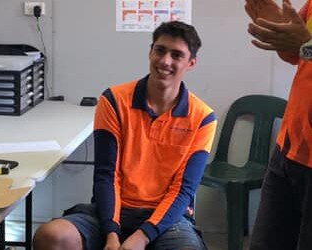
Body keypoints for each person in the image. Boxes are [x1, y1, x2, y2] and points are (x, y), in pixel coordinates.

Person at [33, 21, 217, 250]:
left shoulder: (203, 118)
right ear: (150, 51)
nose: (165, 61)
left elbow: (183, 191)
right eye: (160, 50)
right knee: (51, 236)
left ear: (191, 63)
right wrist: (112, 233)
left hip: (168, 219)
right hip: (112, 211)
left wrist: (142, 236)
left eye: (176, 55)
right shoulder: (114, 100)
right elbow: (106, 175)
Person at [245, 0, 312, 249]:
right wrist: (279, 30)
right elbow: (297, 55)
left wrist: (306, 47)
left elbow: (306, 49)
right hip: (289, 150)